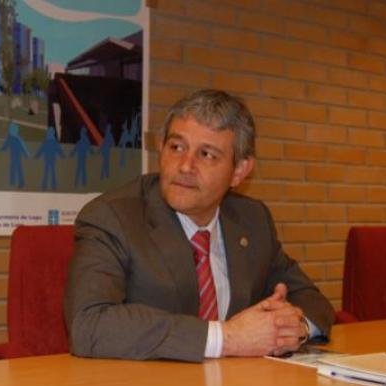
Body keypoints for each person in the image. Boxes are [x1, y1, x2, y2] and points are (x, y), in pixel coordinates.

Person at [64, 89, 334, 362]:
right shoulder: (112, 217)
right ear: (162, 148)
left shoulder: (253, 220)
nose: (185, 166)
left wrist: (293, 329)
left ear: (239, 170)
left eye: (206, 154)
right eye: (177, 147)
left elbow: (310, 299)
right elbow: (89, 325)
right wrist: (226, 338)